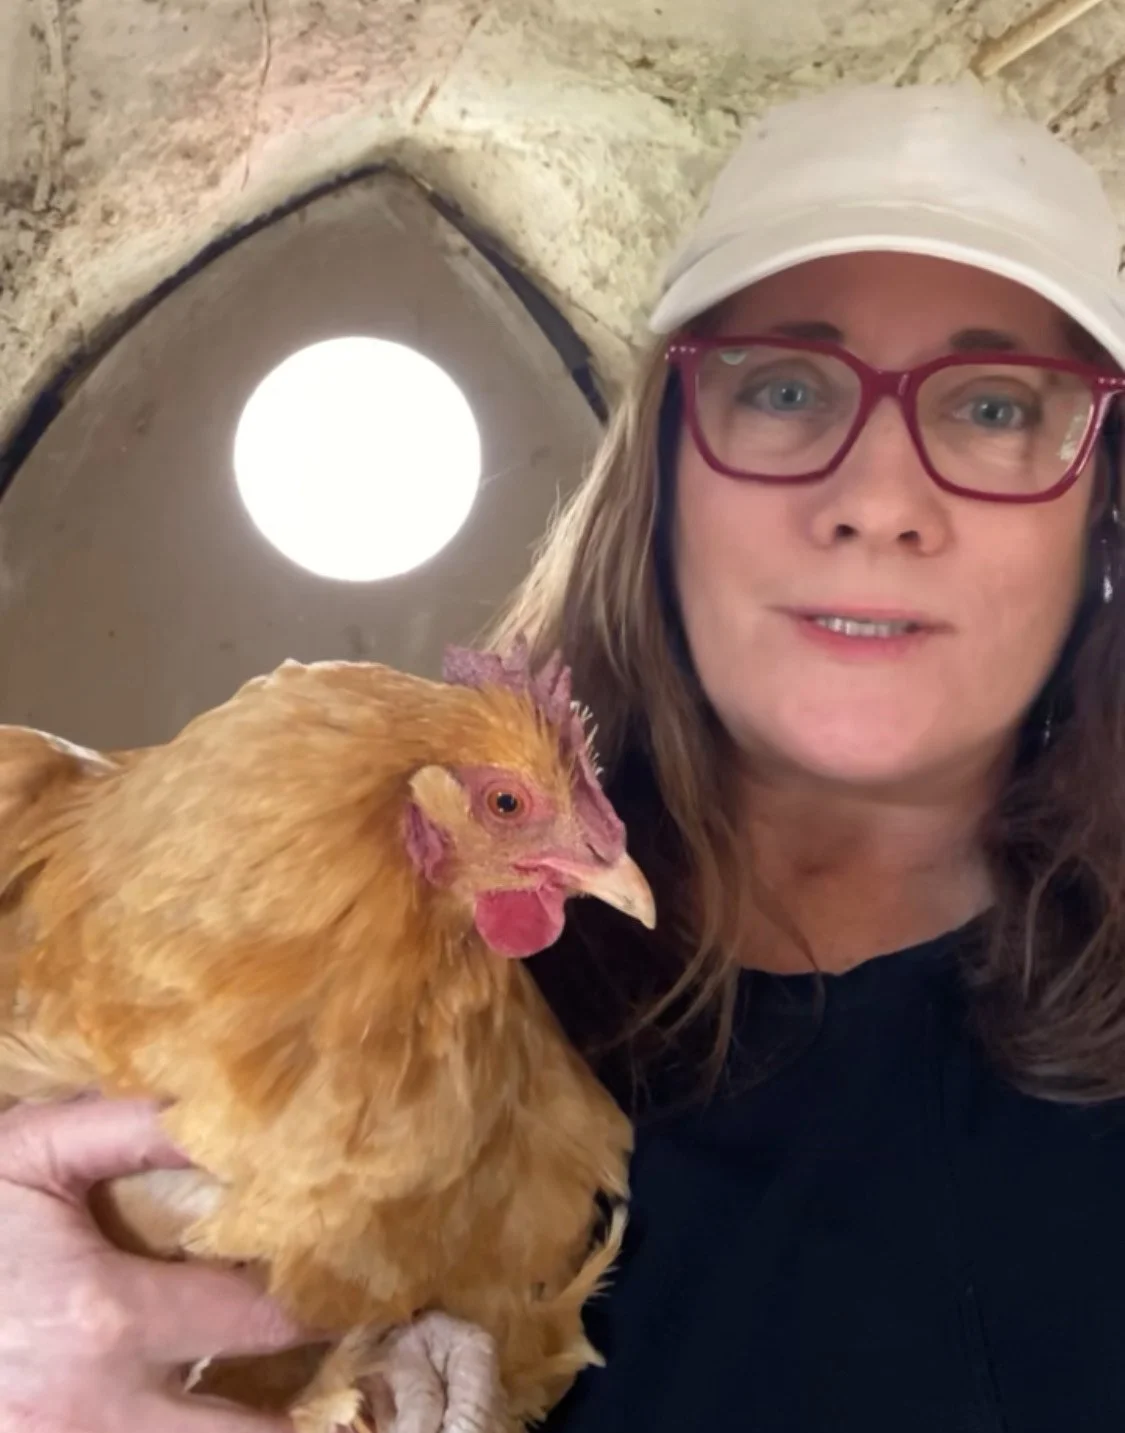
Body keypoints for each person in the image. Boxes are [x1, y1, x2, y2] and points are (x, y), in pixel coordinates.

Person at [6, 78, 1125, 1432]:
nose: (878, 500)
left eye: (997, 407)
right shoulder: (431, 948)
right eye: (783, 386)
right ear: (661, 477)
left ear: (1103, 503)